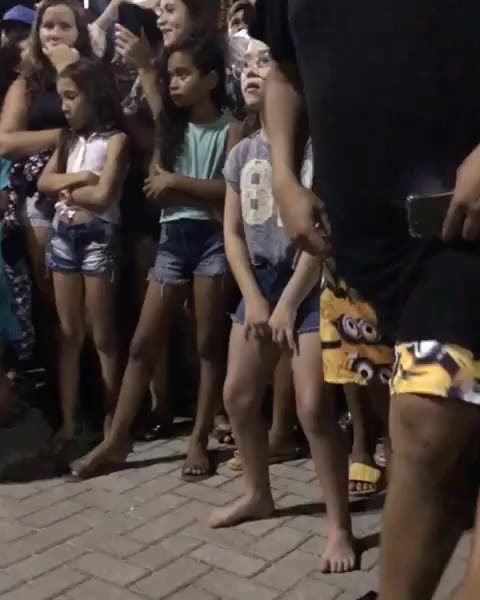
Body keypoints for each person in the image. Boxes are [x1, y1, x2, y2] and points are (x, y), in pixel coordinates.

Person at [252, 1, 480, 598]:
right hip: (371, 254)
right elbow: (285, 72)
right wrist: (284, 177)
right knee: (450, 446)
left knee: (427, 415)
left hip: (462, 230)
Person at [208, 37, 355, 574]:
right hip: (260, 284)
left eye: (265, 62)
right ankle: (257, 493)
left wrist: (289, 303)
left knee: (313, 408)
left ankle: (339, 524)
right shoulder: (241, 153)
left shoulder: (317, 152)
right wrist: (252, 296)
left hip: (309, 286)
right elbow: (232, 233)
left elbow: (323, 238)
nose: (253, 71)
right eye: (247, 64)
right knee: (238, 395)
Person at [70, 37, 233, 481]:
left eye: (183, 74)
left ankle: (198, 438)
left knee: (207, 345)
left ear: (211, 79)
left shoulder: (230, 129)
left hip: (214, 241)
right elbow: (154, 189)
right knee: (143, 344)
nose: (174, 83)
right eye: (170, 75)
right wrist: (192, 191)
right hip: (174, 239)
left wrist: (179, 183)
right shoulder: (169, 128)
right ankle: (116, 440)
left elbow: (228, 191)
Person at [37, 58, 128, 455]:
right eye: (62, 98)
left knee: (102, 333)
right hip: (63, 237)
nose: (65, 106)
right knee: (69, 332)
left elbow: (105, 195)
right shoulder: (67, 140)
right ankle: (69, 422)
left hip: (98, 238)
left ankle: (112, 421)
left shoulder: (116, 140)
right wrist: (82, 179)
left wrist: (71, 191)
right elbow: (44, 181)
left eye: (72, 96)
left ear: (94, 94)